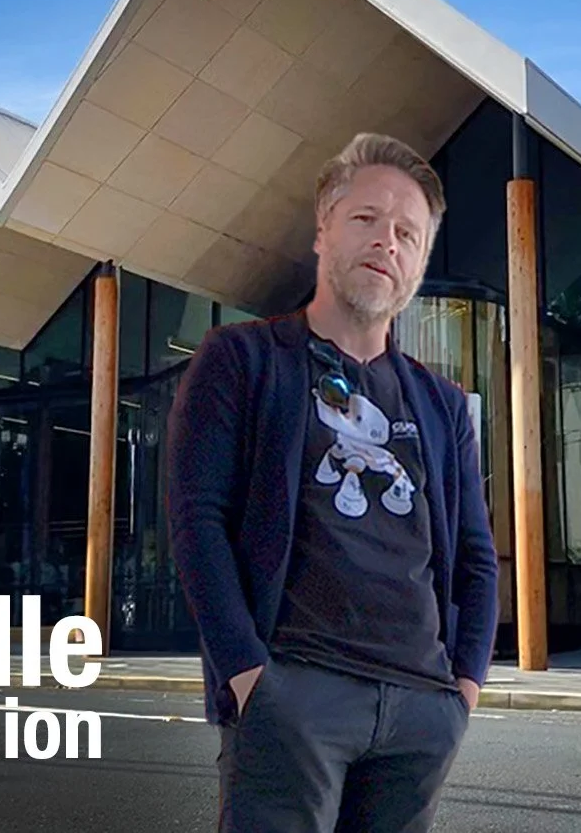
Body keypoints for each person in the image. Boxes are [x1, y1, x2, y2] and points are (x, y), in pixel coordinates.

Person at [165, 131, 500, 833]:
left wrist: (461, 691)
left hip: (421, 711)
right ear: (323, 231)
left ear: (420, 261)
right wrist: (248, 676)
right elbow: (197, 521)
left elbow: (474, 556)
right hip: (294, 695)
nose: (388, 242)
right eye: (366, 219)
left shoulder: (440, 405)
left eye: (409, 232)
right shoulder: (243, 360)